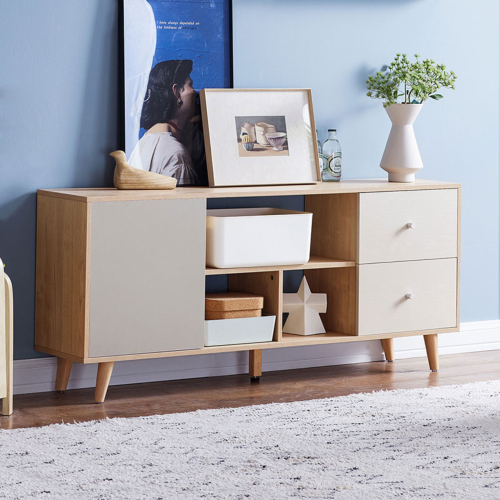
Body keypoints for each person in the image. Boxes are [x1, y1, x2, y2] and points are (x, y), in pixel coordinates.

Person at [129, 60, 202, 185]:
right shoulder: (177, 156)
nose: (195, 92)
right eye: (191, 85)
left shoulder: (141, 145)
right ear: (177, 91)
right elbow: (186, 203)